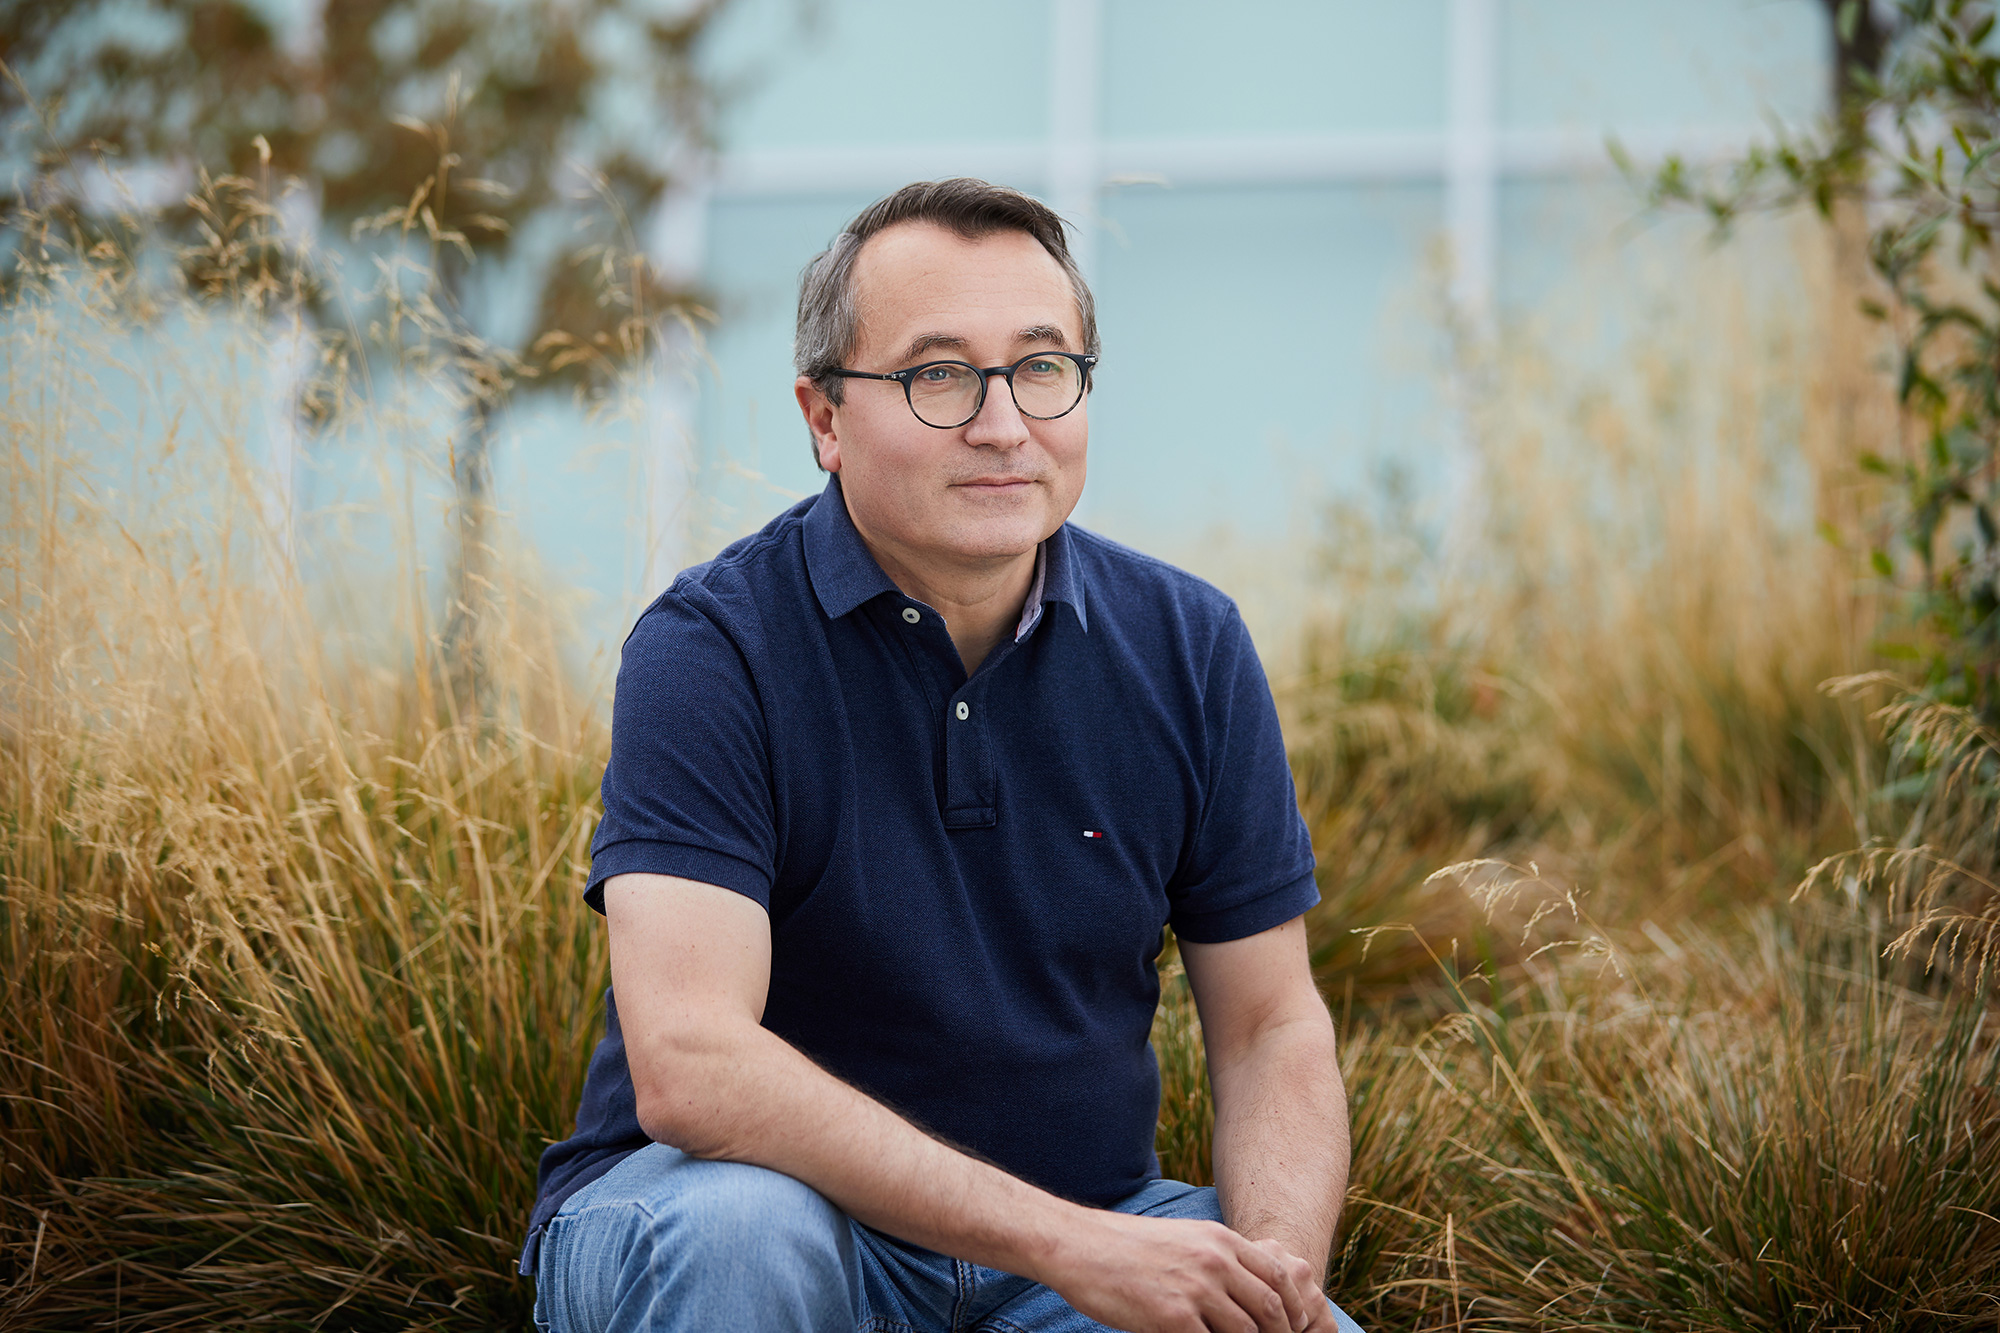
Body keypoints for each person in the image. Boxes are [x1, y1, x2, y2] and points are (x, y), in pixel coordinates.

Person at [520, 178, 1366, 1333]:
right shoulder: (711, 646)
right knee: (743, 1236)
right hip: (735, 1227)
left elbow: (1271, 1025)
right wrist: (1074, 1245)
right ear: (822, 417)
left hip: (1076, 1252)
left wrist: (1267, 1277)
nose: (1003, 422)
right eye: (937, 376)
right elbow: (692, 1062)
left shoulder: (1188, 642)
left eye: (1040, 367)